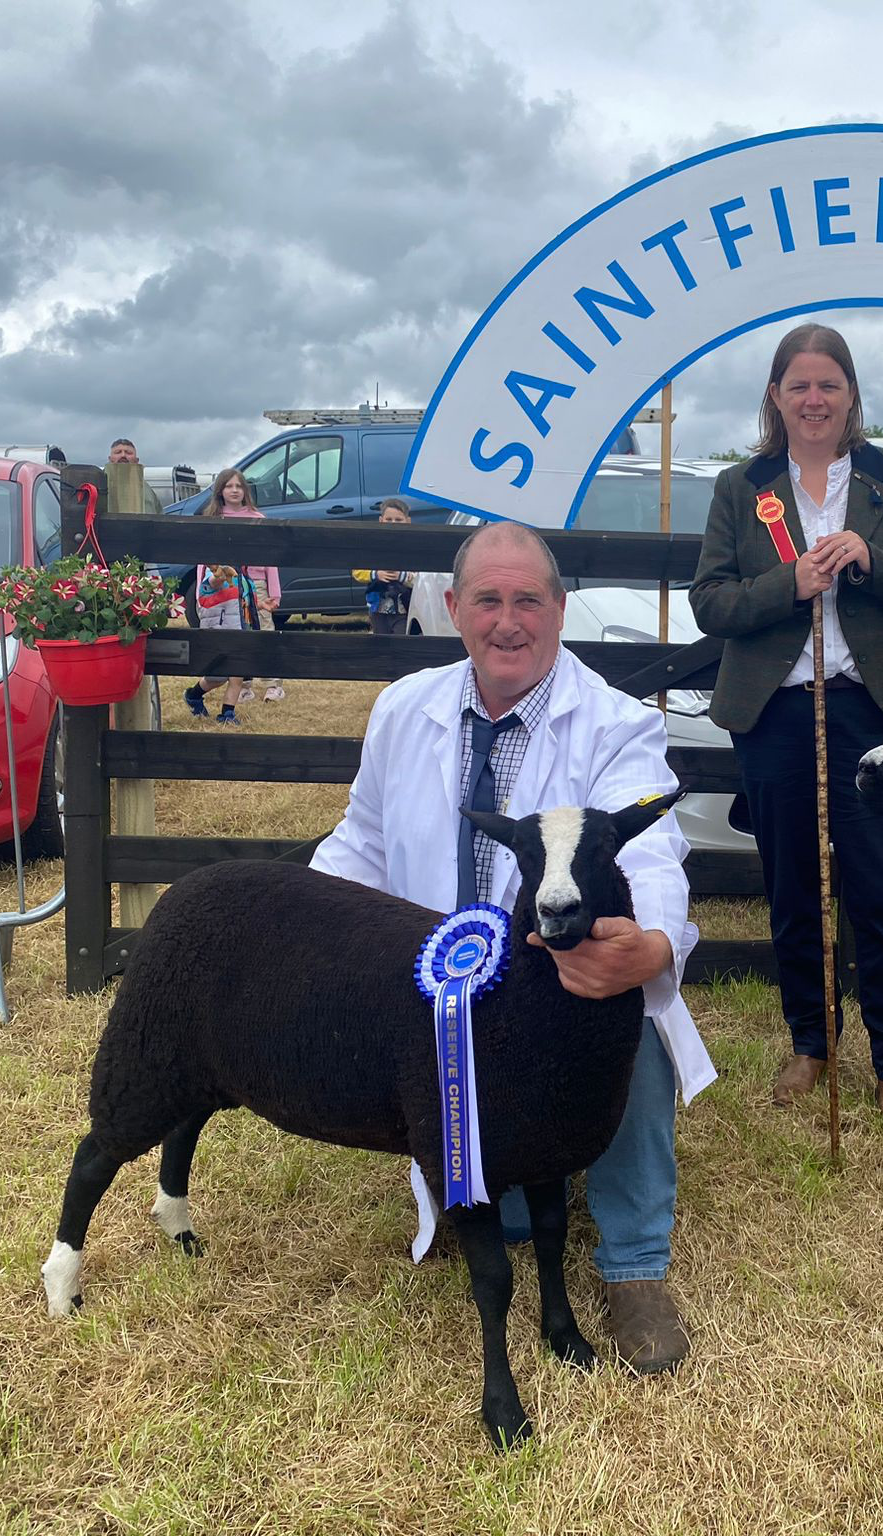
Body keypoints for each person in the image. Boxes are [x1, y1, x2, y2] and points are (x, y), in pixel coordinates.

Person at [310, 520, 714, 1374]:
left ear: (560, 609)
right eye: (487, 600)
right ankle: (500, 1188)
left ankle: (635, 1263)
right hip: (441, 993)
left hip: (553, 980)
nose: (507, 621)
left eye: (528, 600)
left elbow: (650, 853)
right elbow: (361, 842)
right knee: (513, 1217)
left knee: (626, 1005)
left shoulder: (615, 723)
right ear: (454, 608)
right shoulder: (403, 708)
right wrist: (304, 922)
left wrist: (647, 946)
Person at [689, 323, 883, 1120]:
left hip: (872, 712)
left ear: (851, 395)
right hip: (775, 714)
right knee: (795, 888)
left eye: (828, 385)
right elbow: (711, 603)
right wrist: (790, 584)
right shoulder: (742, 488)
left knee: (881, 886)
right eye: (799, 385)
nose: (814, 399)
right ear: (775, 396)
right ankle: (811, 1042)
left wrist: (872, 562)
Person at [185, 469, 283, 722]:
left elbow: (270, 559)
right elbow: (204, 565)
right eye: (229, 486)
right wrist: (201, 593)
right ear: (220, 490)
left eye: (239, 486)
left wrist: (273, 593)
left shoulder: (257, 519)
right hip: (220, 593)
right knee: (222, 660)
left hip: (250, 586)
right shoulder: (212, 520)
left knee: (256, 638)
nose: (235, 490)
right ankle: (200, 693)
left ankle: (248, 699)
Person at [355, 497, 415, 634]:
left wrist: (402, 576)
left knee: (402, 640)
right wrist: (376, 574)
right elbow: (357, 571)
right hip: (378, 608)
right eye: (389, 519)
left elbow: (422, 577)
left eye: (398, 520)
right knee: (380, 640)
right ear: (381, 520)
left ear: (408, 521)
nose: (393, 523)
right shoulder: (372, 545)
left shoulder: (413, 545)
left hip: (405, 607)